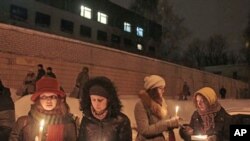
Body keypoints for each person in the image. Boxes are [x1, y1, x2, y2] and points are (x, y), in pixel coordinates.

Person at [9, 77, 77, 141]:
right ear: (38, 99)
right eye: (44, 97)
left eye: (52, 97)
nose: (48, 100)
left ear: (58, 99)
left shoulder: (68, 123)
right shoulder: (23, 122)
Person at [78, 76, 132, 141]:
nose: (96, 104)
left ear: (108, 100)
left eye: (100, 100)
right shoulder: (86, 119)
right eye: (93, 100)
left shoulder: (121, 121)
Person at [134, 75, 180, 141]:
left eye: (164, 88)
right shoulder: (141, 105)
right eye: (161, 88)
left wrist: (172, 122)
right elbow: (144, 130)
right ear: (153, 89)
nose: (163, 91)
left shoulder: (162, 104)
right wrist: (168, 124)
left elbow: (163, 124)